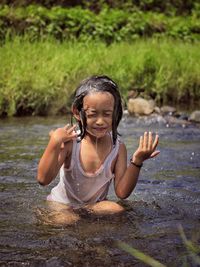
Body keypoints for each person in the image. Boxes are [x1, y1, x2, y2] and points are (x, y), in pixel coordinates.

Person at [37, 75, 160, 224]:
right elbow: (43, 179)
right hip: (62, 205)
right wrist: (54, 142)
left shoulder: (118, 148)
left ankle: (98, 243)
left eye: (107, 114)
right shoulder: (71, 143)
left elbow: (122, 192)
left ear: (115, 113)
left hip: (93, 206)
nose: (100, 121)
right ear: (77, 112)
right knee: (67, 220)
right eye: (93, 114)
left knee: (116, 209)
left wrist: (137, 161)